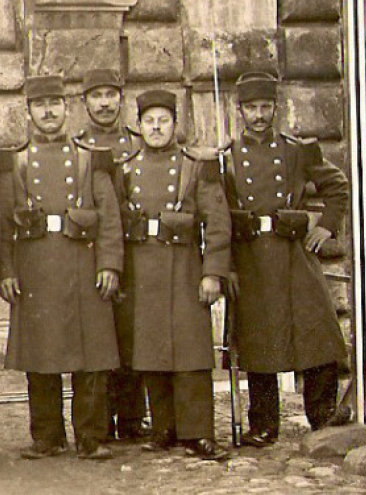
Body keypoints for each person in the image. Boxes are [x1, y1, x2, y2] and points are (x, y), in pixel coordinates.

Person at [0, 75, 123, 461]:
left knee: (91, 355)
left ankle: (90, 436)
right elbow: (2, 223)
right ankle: (47, 436)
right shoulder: (15, 161)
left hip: (83, 264)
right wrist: (7, 271)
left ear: (67, 108)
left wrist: (110, 265)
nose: (48, 112)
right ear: (29, 112)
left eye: (55, 104)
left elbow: (109, 218)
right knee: (42, 355)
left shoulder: (89, 157)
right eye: (40, 105)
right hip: (35, 267)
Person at [221, 71, 350, 447]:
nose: (259, 115)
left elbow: (337, 187)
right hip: (251, 256)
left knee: (316, 330)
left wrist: (325, 226)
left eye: (265, 107)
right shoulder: (226, 157)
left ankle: (321, 415)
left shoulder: (296, 150)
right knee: (259, 340)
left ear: (275, 108)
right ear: (240, 110)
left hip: (292, 253)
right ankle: (263, 425)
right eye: (251, 108)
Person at [117, 90, 232, 460]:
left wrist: (212, 273)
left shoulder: (194, 167)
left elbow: (217, 224)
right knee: (151, 352)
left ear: (174, 125)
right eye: (149, 121)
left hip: (184, 267)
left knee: (191, 352)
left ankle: (197, 432)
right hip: (142, 268)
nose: (155, 127)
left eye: (163, 121)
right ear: (138, 127)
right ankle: (164, 427)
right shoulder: (126, 168)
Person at [74, 69, 148, 442]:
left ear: (122, 98)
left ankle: (133, 421)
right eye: (96, 95)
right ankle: (101, 422)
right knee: (101, 336)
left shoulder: (139, 143)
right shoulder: (78, 148)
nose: (104, 103)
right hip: (95, 253)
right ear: (84, 102)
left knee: (132, 333)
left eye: (111, 95)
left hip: (138, 252)